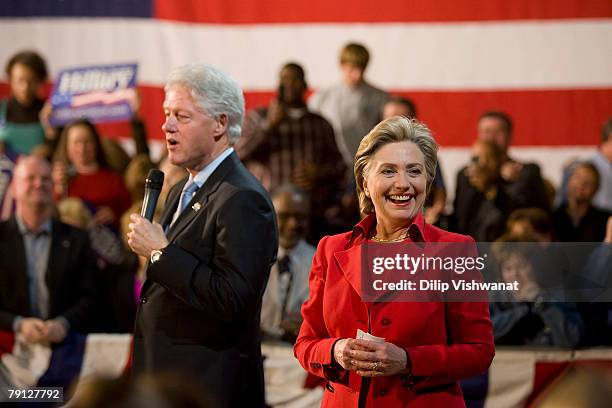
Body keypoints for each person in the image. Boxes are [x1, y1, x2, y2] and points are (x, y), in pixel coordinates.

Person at [294, 117, 494, 407]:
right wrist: (336, 350)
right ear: (365, 181)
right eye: (388, 171)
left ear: (427, 180)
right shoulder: (330, 248)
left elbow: (479, 351)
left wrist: (409, 361)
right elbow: (305, 344)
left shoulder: (456, 250)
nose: (403, 184)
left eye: (414, 171)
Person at [127, 64, 278, 407]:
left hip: (208, 388)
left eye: (181, 115)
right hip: (167, 382)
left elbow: (233, 300)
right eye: (167, 114)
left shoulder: (243, 198)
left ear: (220, 124)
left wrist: (161, 253)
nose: (166, 125)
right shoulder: (182, 187)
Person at [237, 62, 346, 242]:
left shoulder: (320, 124)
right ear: (278, 85)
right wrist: (269, 126)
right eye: (285, 80)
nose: (289, 85)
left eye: (295, 80)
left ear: (304, 85)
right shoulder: (260, 117)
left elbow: (340, 167)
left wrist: (320, 172)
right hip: (265, 210)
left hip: (310, 215)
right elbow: (238, 153)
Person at [0, 156, 94, 343]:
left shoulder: (77, 239)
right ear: (14, 188)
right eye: (31, 178)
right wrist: (18, 324)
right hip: (7, 351)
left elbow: (91, 297)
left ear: (53, 186)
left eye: (45, 179)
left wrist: (63, 323)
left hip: (64, 349)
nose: (38, 184)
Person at [489, 235, 582, 347]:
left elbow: (573, 338)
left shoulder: (558, 296)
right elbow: (477, 334)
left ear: (536, 267)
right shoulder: (493, 298)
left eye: (522, 266)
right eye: (508, 269)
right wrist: (523, 309)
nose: (515, 274)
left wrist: (541, 303)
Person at [309, 43, 389, 168]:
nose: (357, 74)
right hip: (331, 168)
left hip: (368, 166)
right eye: (352, 68)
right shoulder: (322, 97)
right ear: (341, 65)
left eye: (361, 69)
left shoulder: (380, 97)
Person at [52, 119, 132, 229]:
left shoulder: (114, 179)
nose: (82, 148)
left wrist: (114, 215)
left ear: (96, 144)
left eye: (87, 142)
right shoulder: (56, 179)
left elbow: (129, 215)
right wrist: (58, 189)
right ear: (66, 146)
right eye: (76, 142)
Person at [261, 184, 315, 343]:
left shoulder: (323, 261)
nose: (293, 224)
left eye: (300, 217)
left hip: (299, 356)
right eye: (284, 216)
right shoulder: (249, 257)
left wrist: (309, 326)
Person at [382, 96, 447, 226]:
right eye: (389, 119)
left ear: (413, 122)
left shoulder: (427, 155)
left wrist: (433, 214)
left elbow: (440, 194)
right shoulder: (371, 156)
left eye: (400, 119)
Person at [477, 111, 550, 210]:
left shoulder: (527, 172)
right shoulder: (466, 176)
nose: (491, 138)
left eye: (498, 132)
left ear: (510, 135)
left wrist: (505, 182)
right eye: (487, 132)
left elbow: (537, 213)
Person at [452, 139, 514, 241]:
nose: (482, 164)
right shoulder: (465, 179)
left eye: (489, 159)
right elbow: (460, 219)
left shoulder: (510, 182)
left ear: (499, 161)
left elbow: (507, 215)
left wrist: (488, 188)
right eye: (475, 159)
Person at [0, 51, 49, 157]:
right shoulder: (2, 109)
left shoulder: (49, 111)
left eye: (31, 81)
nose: (25, 87)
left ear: (41, 81)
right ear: (10, 80)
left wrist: (49, 147)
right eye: (20, 80)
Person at [553, 161, 611, 242]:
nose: (581, 184)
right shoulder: (552, 217)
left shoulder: (605, 221)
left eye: (588, 182)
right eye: (578, 178)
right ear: (568, 181)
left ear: (596, 188)